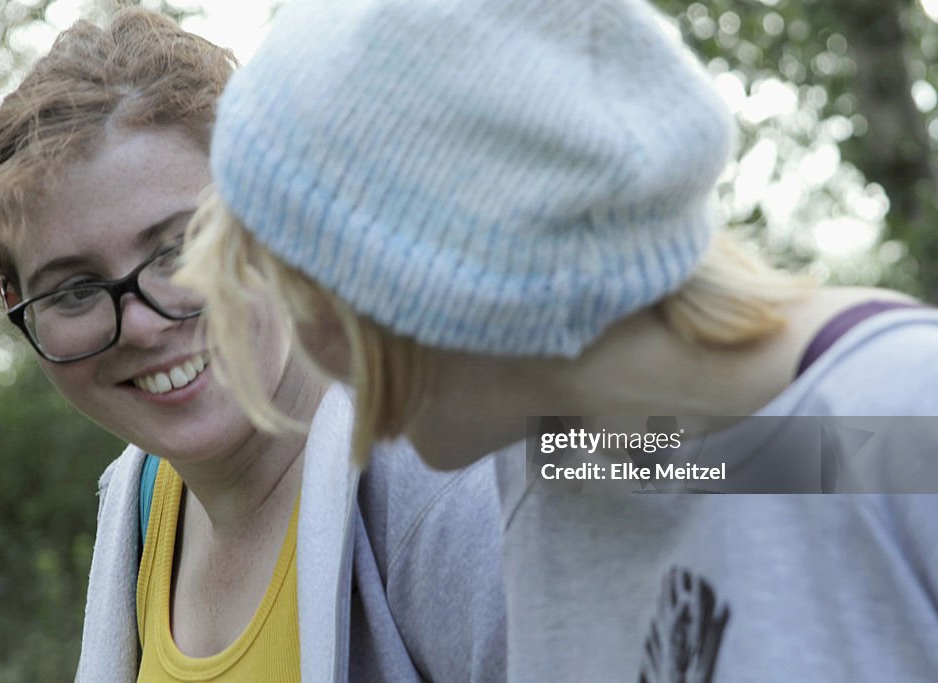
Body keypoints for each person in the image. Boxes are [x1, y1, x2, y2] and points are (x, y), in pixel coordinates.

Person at [177, 0, 938, 680]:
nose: (312, 359)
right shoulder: (562, 463)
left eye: (311, 299)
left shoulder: (899, 421)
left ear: (445, 272)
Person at [0, 9, 505, 682]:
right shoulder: (136, 508)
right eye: (72, 290)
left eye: (183, 245)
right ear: (21, 310)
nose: (140, 324)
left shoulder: (457, 486)